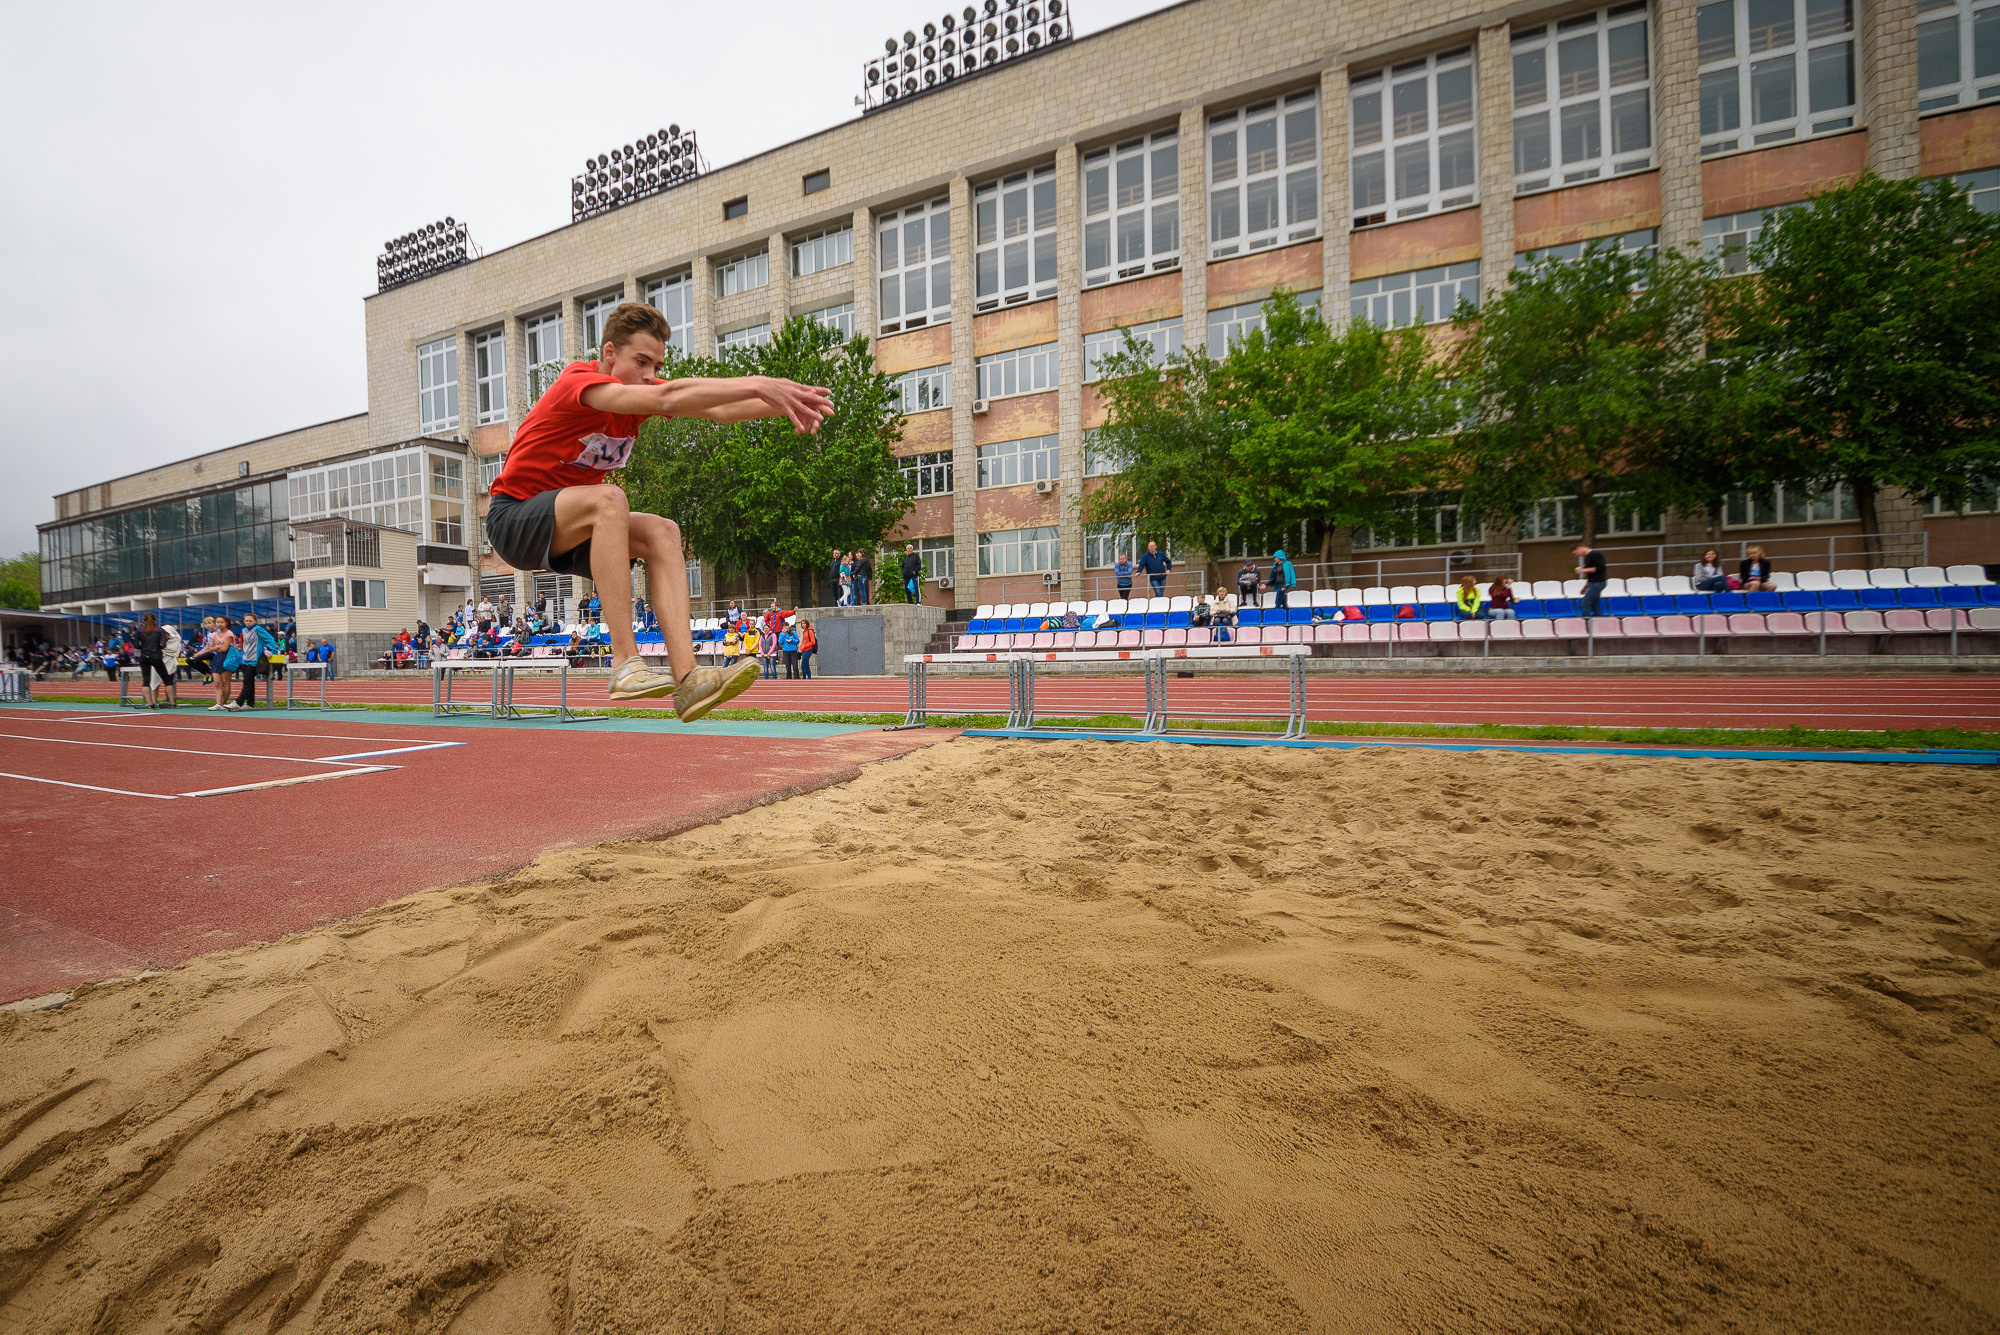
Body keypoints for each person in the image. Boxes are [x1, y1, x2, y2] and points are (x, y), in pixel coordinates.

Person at [483, 301, 831, 715]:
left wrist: (788, 401)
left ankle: (689, 680)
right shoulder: (580, 381)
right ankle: (626, 663)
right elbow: (668, 398)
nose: (650, 375)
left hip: (567, 529)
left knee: (663, 531)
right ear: (610, 354)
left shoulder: (636, 403)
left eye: (657, 364)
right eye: (642, 362)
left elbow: (719, 410)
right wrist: (758, 382)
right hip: (513, 519)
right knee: (609, 499)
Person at [232, 611, 277, 709]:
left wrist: (273, 651)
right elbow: (245, 644)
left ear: (255, 621)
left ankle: (238, 702)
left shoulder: (258, 629)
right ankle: (250, 703)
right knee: (249, 682)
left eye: (250, 621)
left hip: (255, 660)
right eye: (246, 621)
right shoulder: (244, 631)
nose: (248, 623)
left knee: (247, 681)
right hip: (245, 659)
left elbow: (269, 639)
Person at [133, 613, 172, 708]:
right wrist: (156, 647)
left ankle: (150, 703)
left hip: (144, 656)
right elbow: (163, 644)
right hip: (156, 656)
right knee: (166, 679)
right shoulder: (160, 630)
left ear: (143, 620)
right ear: (155, 619)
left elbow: (136, 645)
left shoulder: (139, 631)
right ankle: (173, 702)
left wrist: (144, 647)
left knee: (146, 680)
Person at [1573, 542, 1608, 617]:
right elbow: (1590, 575)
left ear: (1579, 548)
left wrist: (1583, 570)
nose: (1578, 556)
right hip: (1593, 583)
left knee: (1585, 603)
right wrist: (1585, 587)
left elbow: (1600, 568)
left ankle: (1586, 621)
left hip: (1598, 582)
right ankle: (1599, 620)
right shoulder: (1587, 557)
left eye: (1576, 553)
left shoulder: (1595, 555)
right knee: (1594, 604)